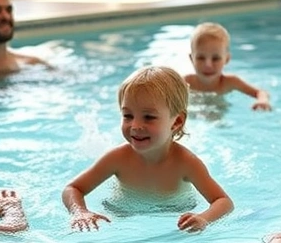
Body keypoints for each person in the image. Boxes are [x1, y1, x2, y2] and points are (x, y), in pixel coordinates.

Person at [62, 65, 234, 232]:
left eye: (149, 117)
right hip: (123, 216)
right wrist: (80, 212)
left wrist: (204, 218)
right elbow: (72, 189)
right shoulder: (117, 158)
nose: (135, 126)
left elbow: (223, 201)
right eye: (127, 116)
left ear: (177, 122)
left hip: (173, 218)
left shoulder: (186, 163)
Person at [184, 22, 271, 111]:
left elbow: (261, 92)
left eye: (216, 58)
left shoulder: (230, 82)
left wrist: (262, 101)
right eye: (201, 58)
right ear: (192, 59)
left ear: (227, 59)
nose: (208, 65)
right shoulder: (185, 83)